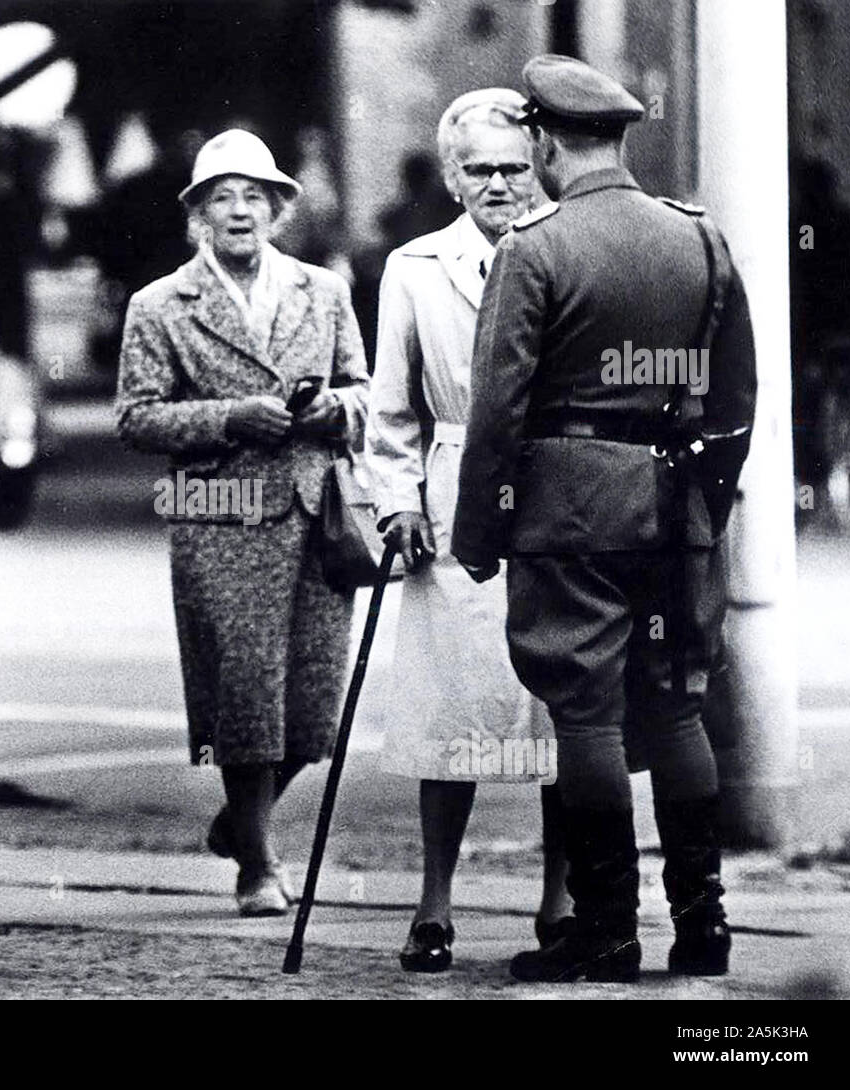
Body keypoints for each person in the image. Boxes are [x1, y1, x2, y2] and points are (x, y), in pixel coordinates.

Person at [452, 55, 757, 983]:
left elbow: (498, 409)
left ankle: (607, 932)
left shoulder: (533, 250)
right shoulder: (698, 239)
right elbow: (737, 394)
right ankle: (704, 926)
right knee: (675, 709)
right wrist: (705, 497)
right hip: (676, 507)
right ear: (620, 137)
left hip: (571, 509)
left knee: (585, 717)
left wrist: (478, 530)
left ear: (544, 142)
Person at [116, 129, 370, 916]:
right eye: (222, 197)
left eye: (253, 197)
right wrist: (230, 417)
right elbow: (136, 417)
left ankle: (237, 822)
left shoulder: (323, 292)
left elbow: (367, 390)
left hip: (317, 513)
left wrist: (337, 407)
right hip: (221, 519)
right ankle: (258, 864)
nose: (239, 211)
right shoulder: (160, 304)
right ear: (198, 214)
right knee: (246, 697)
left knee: (314, 706)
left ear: (277, 210)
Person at [365, 88, 570, 973]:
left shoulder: (571, 248)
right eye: (479, 169)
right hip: (454, 496)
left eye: (513, 167)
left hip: (558, 491)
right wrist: (398, 500)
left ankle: (561, 901)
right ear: (452, 177)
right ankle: (433, 905)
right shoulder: (414, 267)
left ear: (540, 168)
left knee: (569, 710)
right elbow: (390, 410)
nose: (498, 184)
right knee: (449, 706)